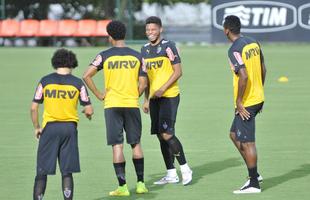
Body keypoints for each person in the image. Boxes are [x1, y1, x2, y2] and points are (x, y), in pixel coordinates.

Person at [83, 20, 148, 196]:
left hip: (112, 105)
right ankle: (141, 184)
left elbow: (86, 75)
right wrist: (134, 95)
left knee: (117, 146)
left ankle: (123, 187)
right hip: (131, 104)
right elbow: (143, 83)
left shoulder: (104, 55)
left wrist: (98, 94)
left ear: (110, 36)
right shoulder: (137, 56)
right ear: (125, 35)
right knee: (136, 144)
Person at [30, 48, 94, 200]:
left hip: (49, 129)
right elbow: (89, 109)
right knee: (67, 171)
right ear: (72, 64)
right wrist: (87, 114)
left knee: (42, 170)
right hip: (69, 130)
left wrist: (37, 127)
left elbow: (33, 108)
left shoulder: (45, 81)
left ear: (55, 63)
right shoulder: (78, 83)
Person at [141, 16, 192, 186]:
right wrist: (146, 99)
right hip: (154, 98)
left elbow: (178, 71)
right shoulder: (144, 50)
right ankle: (171, 173)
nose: (150, 33)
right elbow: (146, 78)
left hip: (169, 96)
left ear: (160, 29)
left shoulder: (168, 46)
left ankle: (185, 168)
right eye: (148, 30)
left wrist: (163, 88)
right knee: (159, 135)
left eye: (153, 29)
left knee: (167, 133)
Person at [223, 15, 266, 194]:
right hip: (256, 97)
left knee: (248, 142)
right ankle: (254, 172)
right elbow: (264, 68)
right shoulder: (253, 42)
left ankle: (253, 183)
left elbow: (244, 76)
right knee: (234, 134)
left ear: (226, 30)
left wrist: (240, 101)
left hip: (247, 102)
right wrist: (260, 92)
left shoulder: (234, 49)